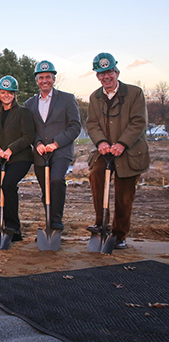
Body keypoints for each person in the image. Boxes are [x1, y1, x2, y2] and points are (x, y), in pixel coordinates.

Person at [86, 53, 149, 250]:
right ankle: (100, 224)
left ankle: (119, 234)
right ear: (97, 76)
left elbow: (138, 121)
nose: (106, 77)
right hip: (105, 151)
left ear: (117, 72)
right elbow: (92, 124)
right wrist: (101, 142)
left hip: (129, 152)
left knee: (124, 195)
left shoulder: (135, 93)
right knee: (96, 176)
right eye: (101, 73)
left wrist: (122, 143)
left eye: (109, 72)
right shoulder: (95, 97)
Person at [24, 61, 81, 231]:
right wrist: (38, 143)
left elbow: (75, 126)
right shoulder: (29, 104)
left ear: (53, 79)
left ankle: (56, 221)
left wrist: (56, 143)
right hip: (41, 153)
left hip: (61, 150)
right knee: (46, 188)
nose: (44, 80)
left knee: (56, 180)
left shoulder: (67, 99)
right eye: (41, 77)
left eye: (48, 77)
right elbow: (30, 129)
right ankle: (49, 220)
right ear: (36, 80)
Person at [0, 76, 35, 241]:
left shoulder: (23, 112)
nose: (6, 95)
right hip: (0, 158)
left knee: (8, 184)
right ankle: (12, 230)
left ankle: (12, 225)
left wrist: (10, 150)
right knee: (6, 189)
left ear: (15, 94)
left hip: (20, 158)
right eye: (3, 92)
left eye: (10, 92)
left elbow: (28, 136)